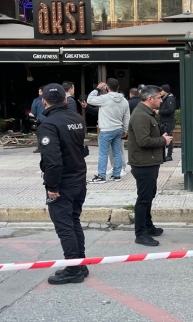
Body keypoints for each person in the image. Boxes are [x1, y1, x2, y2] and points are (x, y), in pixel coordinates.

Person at [38, 83, 89, 285]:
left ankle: (73, 269)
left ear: (44, 101)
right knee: (74, 221)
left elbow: (53, 160)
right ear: (65, 99)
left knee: (65, 226)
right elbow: (81, 149)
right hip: (79, 178)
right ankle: (80, 264)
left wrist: (52, 187)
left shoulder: (48, 124)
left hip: (63, 181)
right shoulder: (77, 119)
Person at [127, 85, 173, 247]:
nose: (162, 100)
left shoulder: (146, 113)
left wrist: (160, 137)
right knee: (144, 198)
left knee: (149, 195)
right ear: (150, 99)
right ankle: (141, 234)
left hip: (149, 161)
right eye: (159, 98)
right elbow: (143, 141)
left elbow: (146, 136)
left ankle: (148, 226)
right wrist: (163, 140)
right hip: (143, 163)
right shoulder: (141, 115)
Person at [87, 78, 130, 183]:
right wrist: (125, 130)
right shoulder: (124, 100)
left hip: (106, 129)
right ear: (118, 87)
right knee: (117, 152)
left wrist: (97, 88)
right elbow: (127, 117)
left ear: (107, 87)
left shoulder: (104, 98)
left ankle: (101, 176)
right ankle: (116, 175)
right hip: (118, 129)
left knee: (103, 153)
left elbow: (89, 99)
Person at [158, 84, 176, 162]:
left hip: (168, 122)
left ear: (165, 90)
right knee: (165, 137)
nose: (160, 92)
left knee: (168, 138)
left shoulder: (169, 99)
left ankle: (169, 155)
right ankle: (165, 155)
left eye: (161, 90)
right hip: (164, 121)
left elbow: (170, 110)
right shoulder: (165, 98)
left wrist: (159, 112)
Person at [30, 86, 46, 153]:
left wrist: (37, 116)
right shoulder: (51, 99)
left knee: (40, 134)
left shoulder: (36, 100)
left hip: (40, 120)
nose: (38, 93)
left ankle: (40, 148)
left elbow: (33, 111)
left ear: (42, 92)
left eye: (39, 91)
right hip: (50, 119)